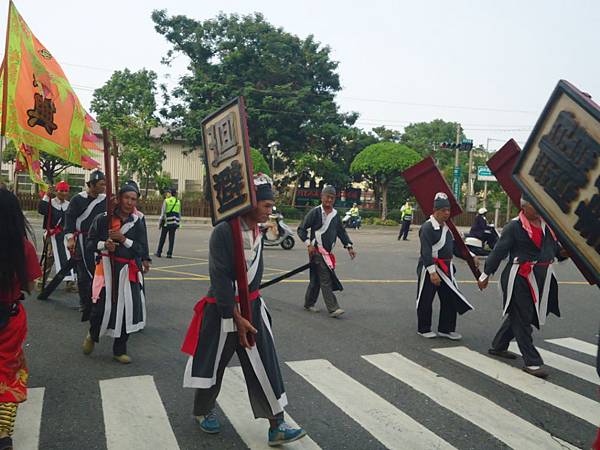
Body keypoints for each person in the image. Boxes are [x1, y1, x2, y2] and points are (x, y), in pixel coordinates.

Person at [181, 174, 307, 446]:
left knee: (265, 363)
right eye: (266, 205)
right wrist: (235, 316)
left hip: (253, 308)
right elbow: (220, 277)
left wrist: (251, 305)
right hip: (223, 310)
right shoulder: (224, 231)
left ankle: (277, 424)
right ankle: (203, 411)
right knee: (213, 364)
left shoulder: (258, 231)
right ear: (251, 203)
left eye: (271, 205)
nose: (270, 211)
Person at [478, 197, 566, 378]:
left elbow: (555, 251)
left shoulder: (547, 226)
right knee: (522, 316)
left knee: (522, 314)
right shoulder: (514, 226)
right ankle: (531, 361)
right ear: (524, 207)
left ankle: (498, 345)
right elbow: (499, 251)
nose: (539, 208)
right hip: (519, 277)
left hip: (540, 277)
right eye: (534, 205)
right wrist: (485, 274)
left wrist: (569, 251)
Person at [83, 183, 147, 364]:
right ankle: (92, 335)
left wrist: (123, 239)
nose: (129, 202)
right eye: (126, 198)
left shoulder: (138, 222)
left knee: (127, 311)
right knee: (101, 308)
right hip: (106, 269)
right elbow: (89, 243)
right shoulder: (103, 219)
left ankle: (119, 350)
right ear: (118, 199)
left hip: (128, 271)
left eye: (133, 199)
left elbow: (141, 249)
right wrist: (104, 245)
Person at [0, 190, 42, 450]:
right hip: (10, 319)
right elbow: (30, 287)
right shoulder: (23, 247)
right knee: (7, 371)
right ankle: (3, 433)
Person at [416, 192, 474, 340]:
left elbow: (455, 249)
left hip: (447, 268)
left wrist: (471, 257)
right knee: (426, 299)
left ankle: (446, 329)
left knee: (450, 298)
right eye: (443, 210)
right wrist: (432, 272)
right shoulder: (427, 227)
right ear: (435, 210)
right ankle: (423, 328)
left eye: (448, 210)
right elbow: (426, 251)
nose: (446, 213)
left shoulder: (449, 229)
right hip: (430, 268)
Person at [297, 185, 356, 317]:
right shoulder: (315, 212)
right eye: (327, 197)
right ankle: (333, 308)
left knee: (316, 280)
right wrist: (308, 244)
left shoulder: (335, 215)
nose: (329, 200)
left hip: (327, 253)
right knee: (326, 278)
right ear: (322, 197)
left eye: (332, 197)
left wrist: (349, 247)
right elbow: (301, 229)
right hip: (316, 252)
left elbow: (341, 232)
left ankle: (309, 303)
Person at [65, 171, 106, 317]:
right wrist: (70, 238)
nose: (104, 187)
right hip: (82, 241)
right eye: (101, 184)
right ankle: (84, 302)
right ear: (92, 184)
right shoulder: (78, 199)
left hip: (99, 241)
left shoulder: (105, 200)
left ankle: (97, 302)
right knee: (83, 274)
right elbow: (69, 219)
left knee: (100, 273)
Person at [37, 181, 77, 292]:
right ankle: (41, 281)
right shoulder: (50, 202)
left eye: (66, 191)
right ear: (56, 191)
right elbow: (41, 210)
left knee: (69, 257)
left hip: (65, 235)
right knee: (50, 257)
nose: (63, 193)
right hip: (52, 234)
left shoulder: (69, 205)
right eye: (61, 191)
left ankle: (70, 283)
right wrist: (46, 196)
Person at [155, 188, 181, 259]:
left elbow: (163, 214)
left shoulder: (166, 201)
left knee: (162, 238)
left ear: (170, 193)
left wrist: (159, 223)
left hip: (166, 222)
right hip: (174, 222)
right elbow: (179, 213)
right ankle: (169, 254)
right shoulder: (178, 201)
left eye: (168, 192)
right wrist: (179, 223)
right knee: (171, 238)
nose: (167, 193)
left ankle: (159, 252)